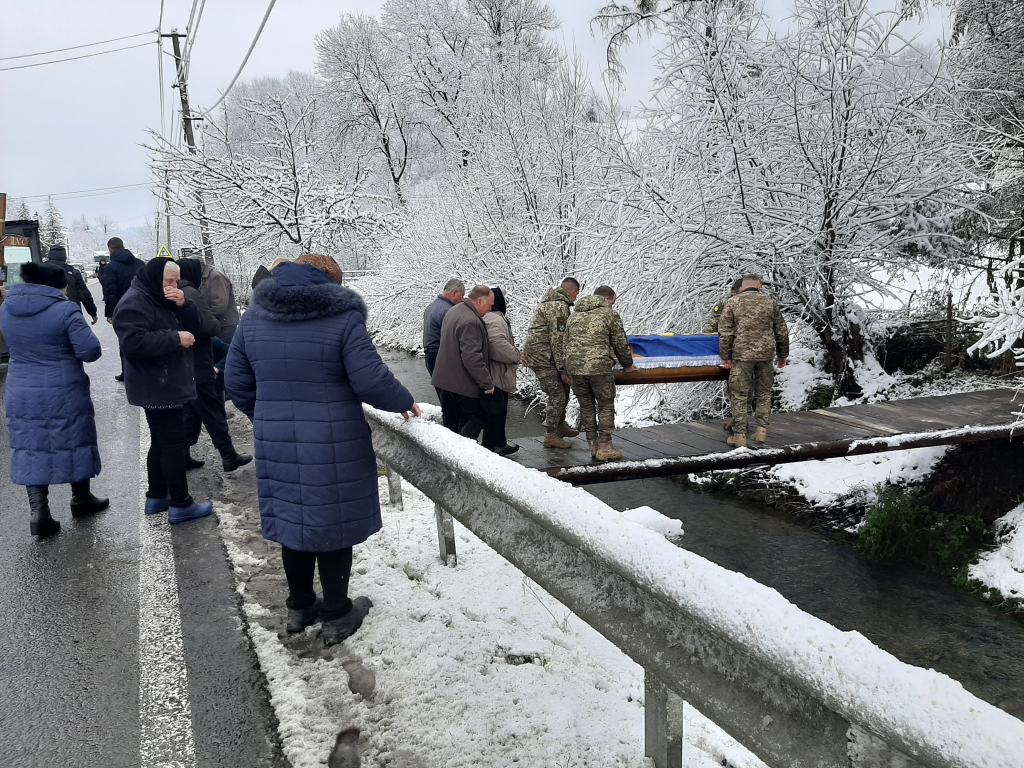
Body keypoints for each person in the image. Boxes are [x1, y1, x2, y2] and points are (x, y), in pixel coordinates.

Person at [225, 254, 420, 647]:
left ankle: (299, 606)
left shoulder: (255, 316)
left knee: (292, 521)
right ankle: (336, 612)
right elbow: (370, 380)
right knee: (334, 524)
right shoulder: (343, 318)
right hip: (334, 439)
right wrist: (404, 400)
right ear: (330, 282)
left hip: (277, 441)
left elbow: (235, 380)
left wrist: (267, 417)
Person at [1, 261, 109, 537]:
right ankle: (81, 499)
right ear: (56, 285)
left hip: (21, 388)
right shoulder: (65, 309)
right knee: (74, 437)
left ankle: (40, 514)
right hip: (63, 388)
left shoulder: (6, 309)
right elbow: (90, 351)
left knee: (29, 446)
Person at [114, 258, 213, 524]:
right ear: (155, 278)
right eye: (169, 281)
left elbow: (198, 326)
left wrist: (183, 303)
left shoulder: (160, 296)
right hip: (157, 383)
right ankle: (181, 504)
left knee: (160, 442)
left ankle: (157, 496)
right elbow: (133, 343)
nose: (174, 286)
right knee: (172, 444)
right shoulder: (135, 301)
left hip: (165, 380)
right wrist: (175, 338)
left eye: (177, 281)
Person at [177, 259, 253, 473]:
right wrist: (214, 326)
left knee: (192, 409)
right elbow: (207, 323)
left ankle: (183, 454)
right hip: (198, 357)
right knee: (211, 410)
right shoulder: (191, 292)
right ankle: (228, 456)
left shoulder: (174, 292)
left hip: (185, 359)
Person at [564, 286, 635, 461]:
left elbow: (564, 344)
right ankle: (605, 447)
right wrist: (627, 365)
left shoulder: (574, 316)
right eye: (613, 302)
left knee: (587, 406)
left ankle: (593, 445)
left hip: (575, 368)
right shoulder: (609, 315)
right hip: (598, 368)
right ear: (608, 299)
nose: (612, 306)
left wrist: (566, 369)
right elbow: (620, 343)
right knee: (605, 405)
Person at [718, 274, 789, 448]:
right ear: (759, 287)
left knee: (740, 395)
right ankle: (762, 431)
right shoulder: (769, 303)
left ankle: (740, 435)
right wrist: (782, 355)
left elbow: (726, 333)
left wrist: (726, 357)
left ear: (741, 288)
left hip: (741, 357)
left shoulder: (733, 303)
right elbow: (782, 331)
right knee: (764, 394)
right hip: (765, 356)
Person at [431, 285, 495, 441]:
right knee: (477, 417)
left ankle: (453, 450)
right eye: (490, 305)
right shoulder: (471, 321)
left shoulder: (455, 310)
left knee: (457, 419)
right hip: (459, 381)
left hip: (444, 378)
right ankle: (462, 454)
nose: (490, 309)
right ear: (480, 301)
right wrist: (487, 384)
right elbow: (472, 358)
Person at [524, 277, 580, 449]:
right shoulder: (559, 307)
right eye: (576, 295)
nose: (576, 299)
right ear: (571, 292)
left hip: (544, 355)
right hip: (542, 357)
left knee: (563, 389)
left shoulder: (554, 302)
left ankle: (560, 425)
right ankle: (551, 435)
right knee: (557, 393)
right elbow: (558, 340)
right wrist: (563, 369)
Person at [481, 287, 520, 456]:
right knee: (498, 411)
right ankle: (495, 445)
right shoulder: (495, 320)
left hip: (493, 371)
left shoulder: (488, 318)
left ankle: (496, 443)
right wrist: (516, 355)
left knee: (495, 410)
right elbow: (497, 345)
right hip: (498, 373)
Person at [100, 236, 145, 382]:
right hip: (143, 307)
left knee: (125, 340)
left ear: (111, 250)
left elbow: (110, 291)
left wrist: (109, 313)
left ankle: (127, 372)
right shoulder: (140, 264)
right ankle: (145, 370)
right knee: (145, 337)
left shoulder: (111, 268)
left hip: (122, 310)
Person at [46, 245, 99, 325]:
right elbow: (84, 294)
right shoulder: (73, 272)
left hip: (45, 314)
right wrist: (93, 313)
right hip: (70, 313)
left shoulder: (38, 271)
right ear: (64, 258)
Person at [422, 279, 465, 376]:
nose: (462, 299)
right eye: (462, 295)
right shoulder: (449, 310)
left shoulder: (431, 307)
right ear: (454, 292)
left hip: (429, 355)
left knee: (440, 389)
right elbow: (454, 337)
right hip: (442, 357)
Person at [201, 262, 241, 344]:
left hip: (225, 324)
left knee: (225, 353)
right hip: (218, 323)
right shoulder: (206, 277)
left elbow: (220, 303)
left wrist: (206, 317)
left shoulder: (215, 277)